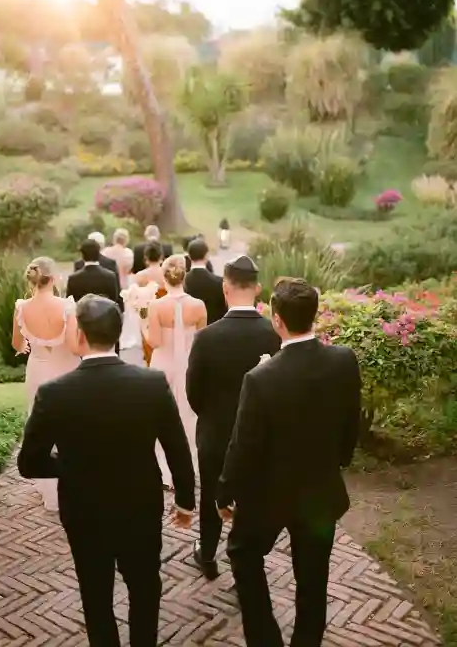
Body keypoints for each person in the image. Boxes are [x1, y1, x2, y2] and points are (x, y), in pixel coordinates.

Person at [17, 295, 195, 647]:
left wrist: (70, 467)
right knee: (145, 587)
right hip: (140, 506)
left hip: (83, 510)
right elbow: (177, 447)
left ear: (80, 336)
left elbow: (29, 463)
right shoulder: (151, 383)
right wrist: (185, 502)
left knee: (95, 594)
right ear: (116, 335)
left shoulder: (55, 393)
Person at [217, 278, 362, 647]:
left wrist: (225, 491)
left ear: (276, 320)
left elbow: (243, 445)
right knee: (313, 580)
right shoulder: (344, 361)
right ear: (314, 315)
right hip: (320, 492)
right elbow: (351, 422)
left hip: (269, 496)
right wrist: (338, 461)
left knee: (242, 552)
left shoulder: (260, 378)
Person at [186, 255, 281, 579]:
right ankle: (246, 562)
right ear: (256, 288)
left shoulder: (207, 337)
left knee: (211, 492)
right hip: (259, 437)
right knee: (252, 497)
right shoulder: (274, 334)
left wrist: (212, 417)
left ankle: (208, 554)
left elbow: (193, 392)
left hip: (215, 433)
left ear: (225, 287)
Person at [12, 256, 80, 512]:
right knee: (70, 427)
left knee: (41, 426)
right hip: (66, 371)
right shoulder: (67, 307)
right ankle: (71, 483)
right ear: (53, 278)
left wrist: (34, 345)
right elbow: (74, 346)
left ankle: (48, 491)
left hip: (38, 370)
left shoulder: (21, 307)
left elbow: (17, 345)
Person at [144, 255, 207, 487]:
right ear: (184, 276)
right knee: (189, 415)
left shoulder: (156, 305)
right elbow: (202, 341)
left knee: (162, 416)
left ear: (164, 277)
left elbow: (155, 342)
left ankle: (164, 468)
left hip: (164, 365)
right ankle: (190, 466)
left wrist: (144, 327)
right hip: (189, 365)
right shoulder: (198, 305)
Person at [103, 228, 138, 350]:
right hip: (123, 283)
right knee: (123, 312)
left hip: (108, 283)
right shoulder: (128, 253)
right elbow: (128, 270)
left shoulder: (106, 252)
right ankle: (123, 337)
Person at [67, 239, 122, 311]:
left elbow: (70, 303)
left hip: (82, 319)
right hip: (105, 317)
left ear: (82, 255)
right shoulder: (110, 276)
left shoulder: (73, 279)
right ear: (99, 253)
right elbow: (114, 301)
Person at [136, 242, 167, 366]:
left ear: (146, 258)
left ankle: (151, 364)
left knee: (148, 341)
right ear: (161, 257)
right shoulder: (167, 274)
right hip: (166, 312)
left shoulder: (140, 276)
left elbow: (138, 299)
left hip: (147, 314)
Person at [184, 238, 227, 325]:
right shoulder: (219, 282)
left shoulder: (183, 282)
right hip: (213, 330)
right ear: (207, 256)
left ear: (188, 256)